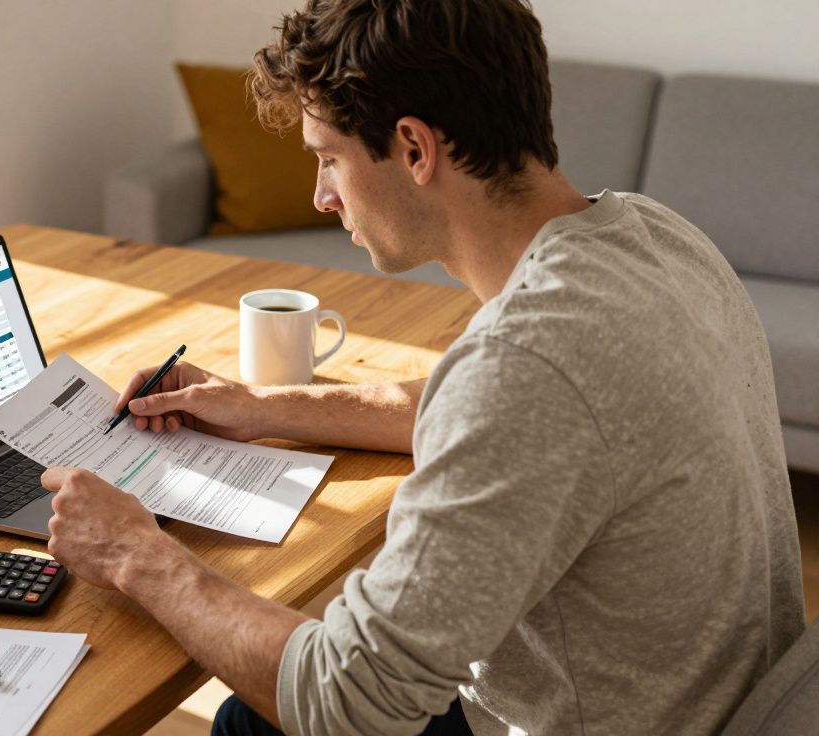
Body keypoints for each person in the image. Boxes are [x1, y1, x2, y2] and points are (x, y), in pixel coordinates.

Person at [39, 0, 806, 733]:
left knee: (256, 716)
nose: (321, 197)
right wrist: (259, 403)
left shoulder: (529, 364)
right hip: (716, 700)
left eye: (330, 159)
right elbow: (502, 418)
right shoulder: (653, 235)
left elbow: (348, 703)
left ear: (413, 148)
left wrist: (139, 556)